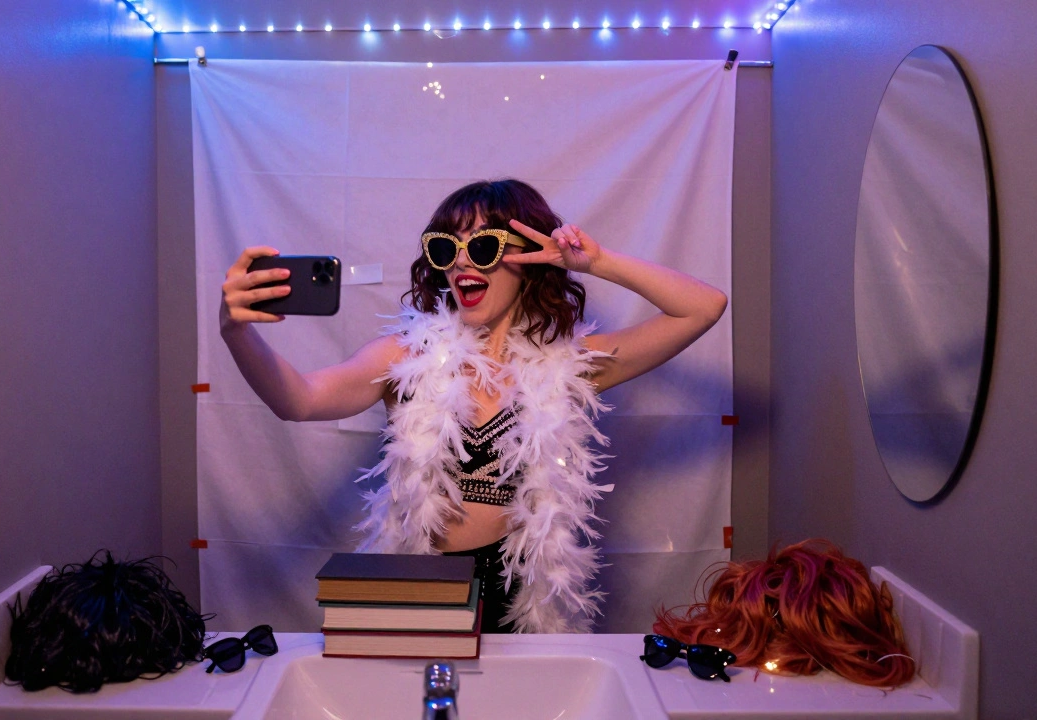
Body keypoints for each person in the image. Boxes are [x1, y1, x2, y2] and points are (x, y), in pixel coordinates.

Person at [219, 179, 727, 633]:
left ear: (530, 258)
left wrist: (597, 263)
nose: (462, 261)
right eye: (446, 248)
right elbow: (300, 400)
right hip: (423, 587)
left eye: (483, 247)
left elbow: (703, 307)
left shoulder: (573, 365)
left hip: (526, 595)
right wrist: (235, 332)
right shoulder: (407, 357)